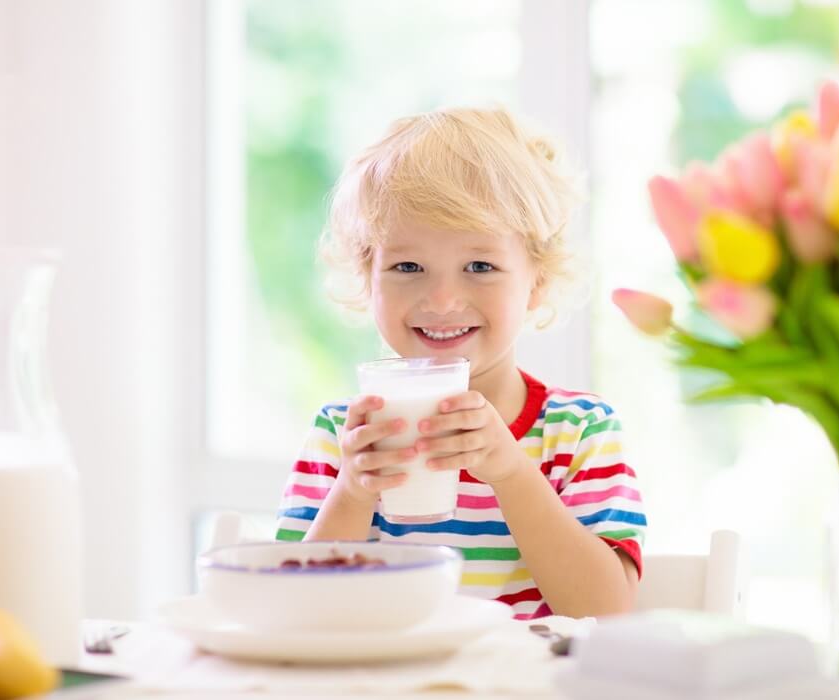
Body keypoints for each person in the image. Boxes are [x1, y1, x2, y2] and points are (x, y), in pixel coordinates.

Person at [276, 107, 646, 619]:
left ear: (536, 281)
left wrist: (511, 471)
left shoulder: (578, 431)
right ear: (368, 277)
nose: (444, 299)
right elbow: (290, 612)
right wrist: (354, 493)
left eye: (480, 266)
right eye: (408, 266)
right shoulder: (342, 438)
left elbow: (606, 613)